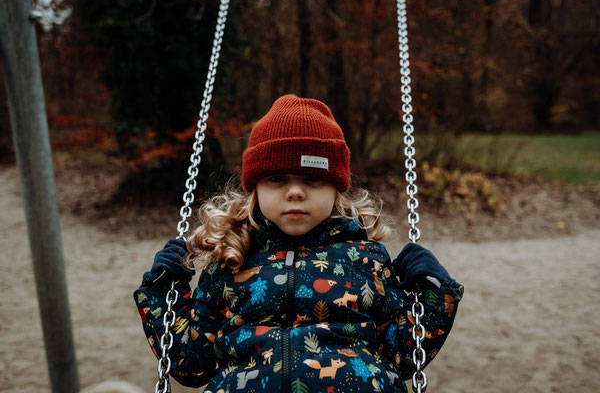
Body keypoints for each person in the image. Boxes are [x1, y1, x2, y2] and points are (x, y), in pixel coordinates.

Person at [134, 94, 464, 393]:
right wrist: (162, 292)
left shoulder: (367, 259)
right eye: (277, 179)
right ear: (255, 188)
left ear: (336, 189)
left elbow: (402, 355)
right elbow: (192, 364)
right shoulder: (230, 259)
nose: (295, 192)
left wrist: (435, 293)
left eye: (312, 179)